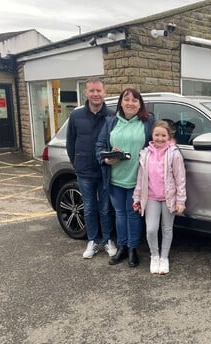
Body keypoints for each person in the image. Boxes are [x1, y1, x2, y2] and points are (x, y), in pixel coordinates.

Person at [96, 88, 155, 267]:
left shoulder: (148, 121)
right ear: (121, 102)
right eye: (126, 99)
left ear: (140, 104)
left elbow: (159, 144)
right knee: (120, 214)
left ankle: (133, 249)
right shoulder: (111, 122)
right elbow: (99, 145)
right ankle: (122, 247)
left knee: (133, 214)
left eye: (134, 100)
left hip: (137, 179)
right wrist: (106, 159)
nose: (130, 103)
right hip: (114, 178)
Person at [66, 77, 117, 259]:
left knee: (104, 208)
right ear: (86, 93)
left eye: (99, 91)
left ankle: (107, 240)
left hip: (104, 170)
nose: (95, 94)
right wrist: (76, 162)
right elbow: (70, 142)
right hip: (84, 170)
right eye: (92, 91)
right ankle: (92, 241)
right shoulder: (76, 115)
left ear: (104, 92)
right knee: (88, 207)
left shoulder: (111, 116)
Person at [133, 120, 187, 275]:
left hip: (169, 198)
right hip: (151, 197)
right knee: (151, 229)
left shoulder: (174, 153)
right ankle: (154, 255)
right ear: (152, 135)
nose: (160, 138)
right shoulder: (145, 154)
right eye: (157, 135)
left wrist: (180, 200)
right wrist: (137, 198)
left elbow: (180, 178)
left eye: (163, 135)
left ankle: (164, 257)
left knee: (167, 228)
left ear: (168, 136)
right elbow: (141, 178)